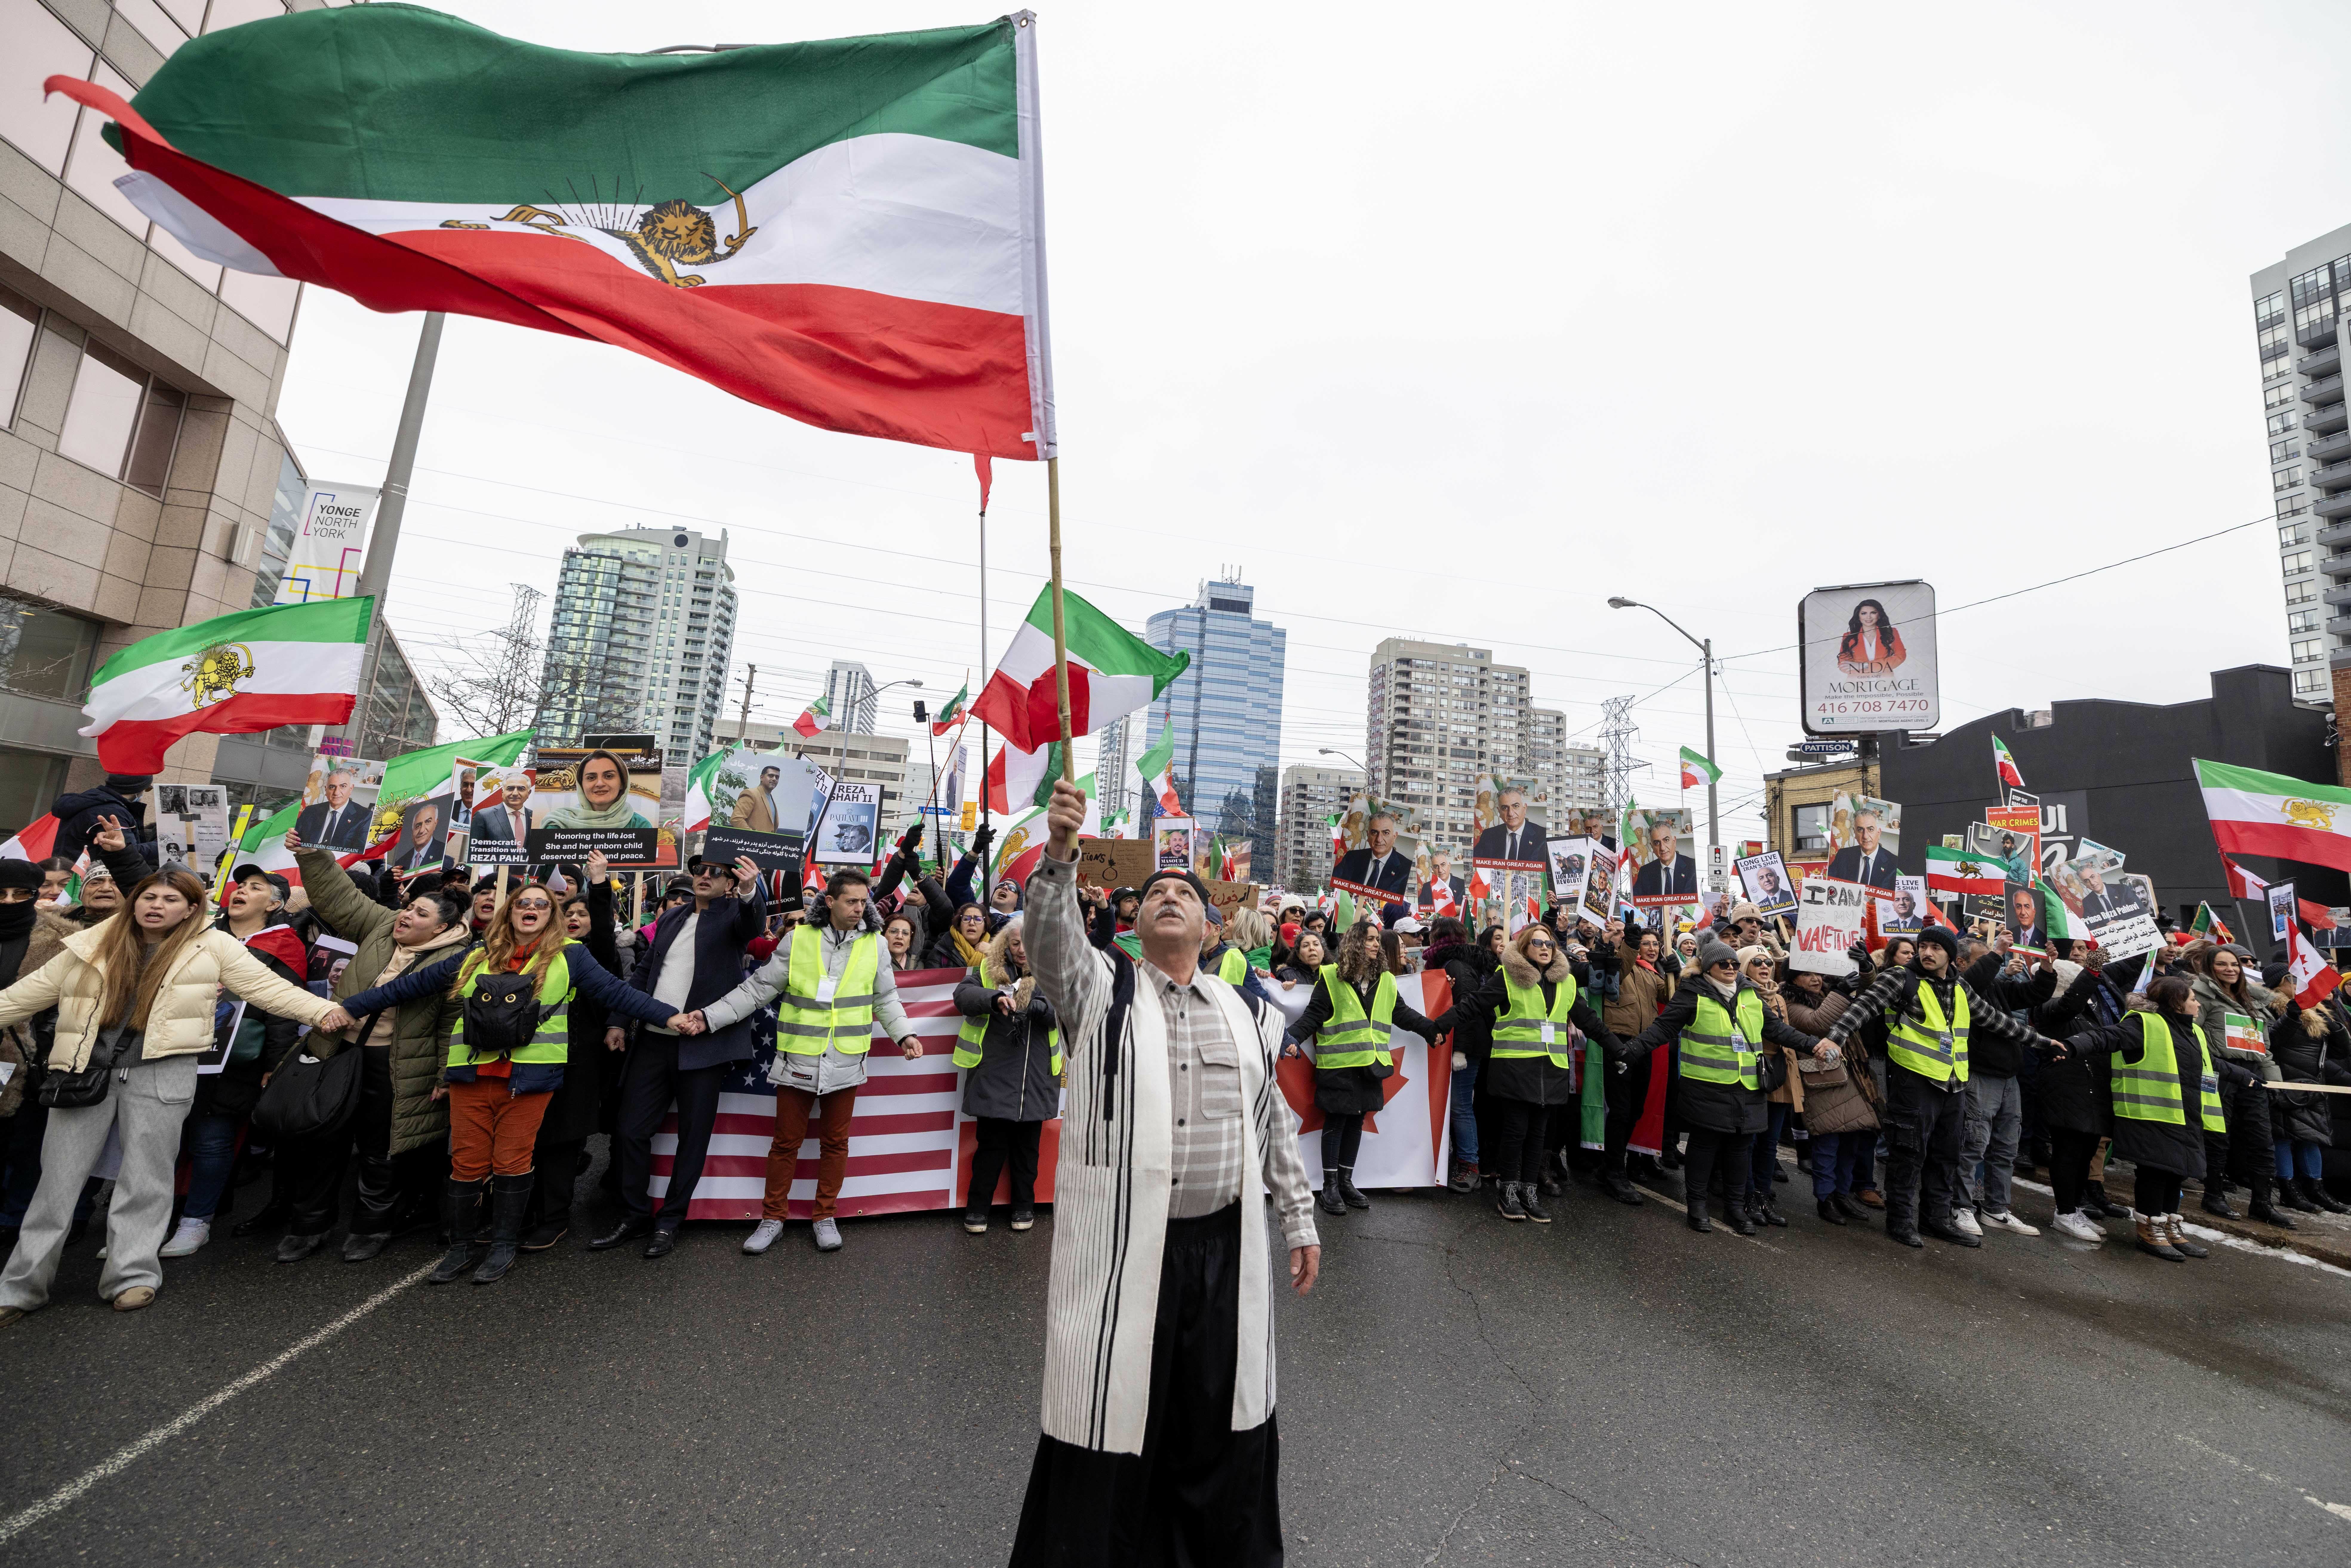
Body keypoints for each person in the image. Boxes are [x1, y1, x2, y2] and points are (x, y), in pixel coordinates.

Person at [1010, 778, 1317, 1566]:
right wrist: (1059, 852)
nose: (1168, 897)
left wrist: (1299, 1219)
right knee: (1112, 1409)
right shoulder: (1098, 990)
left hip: (1223, 1251)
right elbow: (1048, 941)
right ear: (1136, 923)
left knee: (1214, 1413)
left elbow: (1273, 1122)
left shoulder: (1249, 1010)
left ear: (1213, 927)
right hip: (1125, 1250)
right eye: (1155, 893)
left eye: (1185, 892)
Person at [0, 869, 350, 1325]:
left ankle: (131, 1276)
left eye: (170, 899)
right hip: (83, 1073)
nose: (157, 905)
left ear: (191, 908)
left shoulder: (213, 945)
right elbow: (24, 996)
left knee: (147, 1181)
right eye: (149, 896)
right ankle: (21, 1287)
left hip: (163, 1074)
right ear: (135, 901)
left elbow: (267, 989)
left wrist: (325, 1011)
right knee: (57, 1184)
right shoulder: (93, 942)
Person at [684, 866, 921, 1256]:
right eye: (851, 901)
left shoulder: (876, 944)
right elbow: (757, 990)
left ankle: (824, 1217)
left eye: (863, 901)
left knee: (835, 1144)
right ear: (830, 901)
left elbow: (886, 998)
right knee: (785, 1144)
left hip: (847, 1062)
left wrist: (905, 1034)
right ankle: (772, 1219)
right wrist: (709, 1017)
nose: (859, 908)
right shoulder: (798, 940)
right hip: (798, 1060)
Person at [281, 832, 474, 1262]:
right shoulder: (382, 925)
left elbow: (452, 1025)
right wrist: (312, 854)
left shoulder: (459, 960)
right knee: (322, 1141)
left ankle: (371, 1228)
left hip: (395, 1064)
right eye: (409, 907)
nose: (406, 915)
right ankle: (309, 1226)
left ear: (441, 928)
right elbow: (339, 897)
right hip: (338, 1051)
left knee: (380, 1150)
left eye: (420, 913)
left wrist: (445, 1075)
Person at [1820, 925, 2054, 1249]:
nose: (1927, 953)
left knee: (1946, 1156)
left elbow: (1996, 1021)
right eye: (1924, 946)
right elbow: (1864, 1006)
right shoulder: (1901, 978)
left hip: (1953, 1085)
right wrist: (1835, 1037)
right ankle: (1901, 1221)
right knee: (1909, 1153)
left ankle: (1936, 1219)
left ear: (1951, 956)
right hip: (1913, 1082)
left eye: (1936, 948)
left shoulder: (1960, 986)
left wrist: (2044, 1042)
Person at [593, 853, 766, 1258]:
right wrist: (618, 1020)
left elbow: (753, 924)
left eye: (716, 872)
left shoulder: (734, 915)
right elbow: (643, 974)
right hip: (653, 1042)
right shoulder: (671, 918)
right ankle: (636, 1214)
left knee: (693, 1138)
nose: (705, 876)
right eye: (699, 870)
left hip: (704, 1047)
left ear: (729, 883)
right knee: (630, 1130)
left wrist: (749, 890)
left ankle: (669, 1221)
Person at [1619, 937, 1819, 1235]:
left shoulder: (1749, 993)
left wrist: (1814, 1045)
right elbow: (1663, 1028)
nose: (1730, 968)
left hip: (1748, 1087)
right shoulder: (1692, 993)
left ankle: (1734, 1208)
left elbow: (1777, 1030)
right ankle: (1697, 1206)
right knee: (1704, 1148)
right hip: (1706, 1087)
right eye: (1722, 964)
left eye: (1734, 964)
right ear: (1708, 967)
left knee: (1739, 1150)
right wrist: (1630, 1051)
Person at [164, 864, 310, 1260]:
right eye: (240, 885)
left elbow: (283, 1011)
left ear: (275, 904)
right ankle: (151, 1218)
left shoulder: (284, 945)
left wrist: (275, 1065)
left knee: (212, 1141)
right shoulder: (199, 935)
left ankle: (197, 1221)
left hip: (234, 1063)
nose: (241, 891)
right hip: (178, 1050)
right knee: (164, 1140)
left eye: (255, 887)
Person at [1441, 925, 1619, 1223]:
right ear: (1525, 947)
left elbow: (1589, 1021)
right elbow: (1472, 1005)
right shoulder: (1508, 978)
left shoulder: (1566, 982)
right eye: (1538, 942)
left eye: (1550, 943)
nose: (1545, 947)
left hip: (1551, 1071)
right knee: (1515, 1132)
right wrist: (1437, 1025)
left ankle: (1529, 1191)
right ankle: (1508, 1191)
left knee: (1538, 1134)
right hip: (1515, 1069)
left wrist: (1619, 1049)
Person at [1281, 919, 1445, 1215]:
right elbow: (1313, 1016)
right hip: (1339, 1067)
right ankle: (1330, 1187)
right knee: (1336, 1124)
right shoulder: (1331, 977)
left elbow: (1402, 1014)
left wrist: (1429, 1030)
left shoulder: (1386, 980)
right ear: (1355, 943)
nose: (1375, 944)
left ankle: (1345, 1182)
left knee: (1356, 1122)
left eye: (1377, 940)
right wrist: (1290, 1038)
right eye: (1370, 939)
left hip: (1371, 1066)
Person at [2061, 973, 2225, 1261]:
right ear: (2177, 1003)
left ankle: (2169, 1225)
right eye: (2193, 999)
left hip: (2184, 1116)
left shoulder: (2193, 1031)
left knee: (2176, 1172)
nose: (2198, 1004)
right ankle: (2149, 1229)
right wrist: (2071, 1045)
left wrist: (2247, 1077)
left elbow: (2210, 1064)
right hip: (2151, 1115)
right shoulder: (2144, 1023)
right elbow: (2106, 1037)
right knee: (2156, 1172)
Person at [526, 854, 627, 1248]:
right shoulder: (539, 953)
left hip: (578, 1064)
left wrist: (598, 884)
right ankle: (520, 1213)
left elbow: (602, 931)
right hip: (532, 1059)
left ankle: (553, 1218)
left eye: (582, 915)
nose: (575, 919)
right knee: (528, 1140)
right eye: (569, 913)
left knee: (561, 1141)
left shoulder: (598, 957)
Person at [952, 914, 1057, 1234]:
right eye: (1015, 943)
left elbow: (1069, 1010)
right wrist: (994, 999)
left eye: (1028, 943)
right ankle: (977, 1210)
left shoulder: (1055, 974)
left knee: (1028, 1153)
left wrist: (1040, 1008)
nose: (1022, 950)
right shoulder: (986, 970)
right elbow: (962, 996)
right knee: (990, 1150)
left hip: (1035, 1077)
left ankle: (1024, 1207)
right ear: (1006, 945)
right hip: (994, 1075)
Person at [1953, 942, 2056, 1240]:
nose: (1993, 962)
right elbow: (1973, 981)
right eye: (1985, 958)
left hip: (2009, 1077)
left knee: (2006, 1148)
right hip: (1980, 1074)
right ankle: (1960, 1206)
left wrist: (2047, 967)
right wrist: (1998, 953)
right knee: (1973, 1145)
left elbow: (2033, 994)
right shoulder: (1961, 985)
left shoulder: (1995, 986)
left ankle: (1996, 1208)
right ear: (1961, 963)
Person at [2187, 944, 2293, 1225]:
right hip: (2218, 1074)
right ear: (2209, 968)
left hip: (2254, 1076)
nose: (2230, 969)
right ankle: (2214, 1195)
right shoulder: (2199, 995)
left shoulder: (2252, 1000)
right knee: (2218, 1138)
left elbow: (2263, 1049)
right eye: (2222, 964)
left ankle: (2262, 1204)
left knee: (2262, 1140)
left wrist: (2275, 1083)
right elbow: (2193, 1040)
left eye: (2234, 964)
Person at [1781, 966, 1879, 1224]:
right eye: (1807, 974)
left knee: (1851, 1141)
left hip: (1851, 1076)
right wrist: (1842, 992)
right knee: (1828, 1144)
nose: (1816, 979)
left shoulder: (1828, 993)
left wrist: (1866, 970)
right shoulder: (1790, 1002)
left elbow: (1869, 994)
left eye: (1818, 974)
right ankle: (1825, 1200)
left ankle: (1842, 1195)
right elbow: (1819, 1022)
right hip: (1823, 1080)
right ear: (1793, 979)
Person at [1597, 924, 1673, 1205]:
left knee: (1636, 1109)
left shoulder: (1652, 973)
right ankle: (1614, 1171)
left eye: (1656, 944)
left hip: (1644, 1046)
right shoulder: (1619, 962)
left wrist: (1676, 972)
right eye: (1645, 943)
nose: (1652, 948)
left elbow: (1670, 997)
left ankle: (1610, 1167)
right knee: (1620, 1110)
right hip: (1620, 1042)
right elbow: (1619, 970)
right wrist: (1628, 945)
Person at [2264, 977, 2350, 1214]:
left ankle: (2316, 1189)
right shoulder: (2271, 1006)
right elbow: (2271, 1041)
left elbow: (2341, 1050)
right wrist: (2292, 1015)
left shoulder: (2317, 1009)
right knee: (2283, 1137)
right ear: (2281, 983)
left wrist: (2333, 1024)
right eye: (2294, 981)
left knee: (2312, 1137)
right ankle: (2288, 1189)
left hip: (2314, 1085)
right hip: (2285, 1080)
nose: (2301, 986)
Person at [545, 749, 652, 831]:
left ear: (623, 783)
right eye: (591, 778)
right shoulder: (558, 824)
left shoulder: (640, 826)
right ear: (581, 786)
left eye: (609, 776)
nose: (600, 784)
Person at [1330, 811, 1411, 897]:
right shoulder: (1352, 857)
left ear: (1395, 837)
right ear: (1368, 835)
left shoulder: (1406, 868)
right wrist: (1344, 892)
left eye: (1386, 833)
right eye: (1374, 833)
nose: (1379, 840)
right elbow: (1335, 884)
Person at [295, 769, 371, 850]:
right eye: (332, 787)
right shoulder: (310, 811)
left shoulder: (365, 816)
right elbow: (297, 840)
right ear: (326, 790)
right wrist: (293, 841)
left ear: (351, 789)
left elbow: (359, 851)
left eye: (343, 787)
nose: (336, 793)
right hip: (307, 855)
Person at [1825, 808, 1897, 890]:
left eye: (1871, 830)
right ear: (1855, 833)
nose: (1865, 836)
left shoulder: (1894, 863)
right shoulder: (1843, 856)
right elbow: (1828, 884)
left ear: (1879, 833)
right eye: (1860, 830)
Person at [1470, 787, 1546, 865]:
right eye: (1505, 808)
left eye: (1516, 806)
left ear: (1525, 809)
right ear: (1499, 812)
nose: (1511, 814)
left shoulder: (1543, 836)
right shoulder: (1489, 835)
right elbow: (1476, 864)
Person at [1833, 597, 1905, 675]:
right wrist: (1882, 666)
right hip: (1857, 681)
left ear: (1879, 615)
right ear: (1858, 616)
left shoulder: (1892, 633)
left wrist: (1863, 666)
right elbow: (1844, 666)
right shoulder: (1848, 637)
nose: (1869, 617)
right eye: (1864, 614)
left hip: (1886, 681)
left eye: (1873, 613)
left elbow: (1900, 657)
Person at [1630, 818, 1697, 899]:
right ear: (1652, 847)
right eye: (1657, 843)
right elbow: (1636, 902)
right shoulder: (1645, 872)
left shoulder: (1693, 867)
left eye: (1666, 840)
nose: (1662, 848)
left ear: (1674, 842)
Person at [469, 774, 534, 847]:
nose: (515, 793)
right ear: (503, 792)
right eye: (510, 789)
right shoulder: (484, 816)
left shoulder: (534, 817)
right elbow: (474, 850)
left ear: (529, 793)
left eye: (521, 789)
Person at [930, 900, 991, 970]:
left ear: (985, 928)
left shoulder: (993, 950)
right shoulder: (941, 951)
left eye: (978, 920)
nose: (972, 923)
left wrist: (992, 952)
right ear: (959, 926)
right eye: (966, 919)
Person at [390, 798, 447, 873]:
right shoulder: (401, 861)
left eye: (428, 822)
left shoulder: (442, 855)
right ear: (413, 830)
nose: (422, 831)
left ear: (436, 823)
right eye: (418, 826)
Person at [730, 764, 785, 832]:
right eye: (771, 776)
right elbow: (736, 819)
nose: (774, 779)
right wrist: (755, 836)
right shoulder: (751, 794)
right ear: (762, 778)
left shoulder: (770, 798)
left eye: (777, 777)